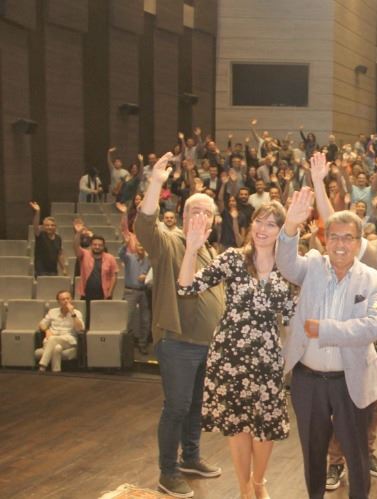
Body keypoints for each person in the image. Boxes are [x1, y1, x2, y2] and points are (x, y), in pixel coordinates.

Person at [308, 151, 377, 487]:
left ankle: (366, 451)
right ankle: (336, 461)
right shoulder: (361, 246)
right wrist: (318, 182)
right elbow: (332, 220)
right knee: (344, 402)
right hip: (350, 339)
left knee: (374, 403)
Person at [177, 202, 295, 499]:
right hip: (229, 354)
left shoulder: (289, 267)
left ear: (282, 231)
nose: (262, 228)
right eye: (258, 221)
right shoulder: (233, 258)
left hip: (267, 355)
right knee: (237, 425)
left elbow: (293, 316)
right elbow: (187, 287)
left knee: (265, 425)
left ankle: (259, 482)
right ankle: (244, 488)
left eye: (271, 224)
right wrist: (191, 250)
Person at [276, 188, 377, 499]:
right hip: (308, 379)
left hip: (350, 379)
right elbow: (285, 264)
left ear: (359, 243)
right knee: (312, 451)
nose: (340, 244)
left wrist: (323, 329)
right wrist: (290, 226)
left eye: (348, 237)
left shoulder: (374, 280)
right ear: (325, 240)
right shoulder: (312, 264)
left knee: (357, 453)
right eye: (334, 236)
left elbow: (372, 328)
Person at [135, 151, 225, 499]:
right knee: (176, 407)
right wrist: (155, 183)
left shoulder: (210, 252)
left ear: (213, 220)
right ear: (184, 216)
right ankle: (168, 473)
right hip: (177, 342)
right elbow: (145, 224)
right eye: (194, 211)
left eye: (206, 212)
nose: (200, 216)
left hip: (206, 345)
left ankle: (190, 458)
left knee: (195, 406)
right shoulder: (170, 242)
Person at [72, 224, 117, 325]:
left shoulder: (110, 258)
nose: (97, 247)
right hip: (86, 293)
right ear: (91, 245)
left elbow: (114, 276)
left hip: (103, 294)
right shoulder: (84, 254)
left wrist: (110, 293)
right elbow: (75, 246)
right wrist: (78, 233)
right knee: (86, 318)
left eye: (100, 245)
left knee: (102, 319)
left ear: (103, 246)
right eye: (95, 244)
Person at [118, 234, 152, 355]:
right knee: (127, 319)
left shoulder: (149, 260)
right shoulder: (129, 258)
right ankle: (125, 345)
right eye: (139, 245)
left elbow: (152, 274)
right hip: (130, 292)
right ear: (135, 247)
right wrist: (126, 244)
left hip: (144, 292)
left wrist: (146, 276)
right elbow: (120, 254)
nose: (141, 248)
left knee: (145, 319)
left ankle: (143, 344)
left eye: (143, 246)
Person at [36, 290, 84, 373]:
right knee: (57, 348)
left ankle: (42, 365)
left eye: (68, 298)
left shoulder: (77, 313)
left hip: (68, 340)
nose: (66, 301)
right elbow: (41, 324)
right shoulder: (52, 312)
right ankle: (56, 371)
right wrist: (47, 330)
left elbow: (80, 329)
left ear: (71, 300)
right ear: (58, 302)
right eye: (63, 299)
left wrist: (72, 313)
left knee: (52, 339)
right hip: (51, 339)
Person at [30, 202, 65, 277]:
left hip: (53, 271)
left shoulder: (58, 238)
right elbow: (35, 226)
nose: (50, 227)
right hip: (40, 272)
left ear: (55, 227)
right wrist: (38, 212)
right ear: (43, 226)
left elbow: (59, 254)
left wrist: (63, 269)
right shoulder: (40, 235)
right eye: (47, 225)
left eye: (52, 225)